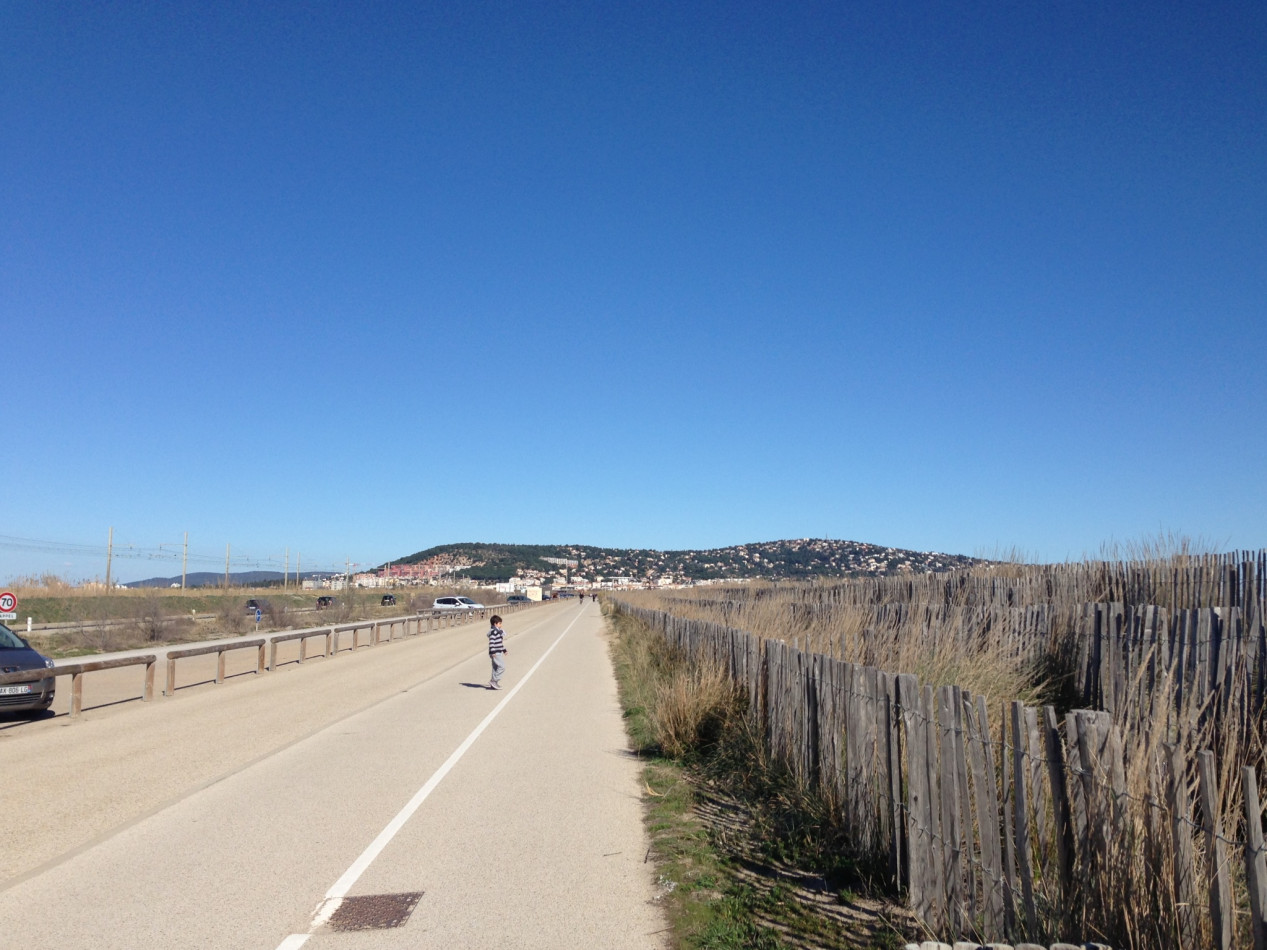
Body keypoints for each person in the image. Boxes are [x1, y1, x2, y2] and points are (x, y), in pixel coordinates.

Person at [486, 614, 509, 690]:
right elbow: (492, 642)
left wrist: (504, 650)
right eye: (499, 623)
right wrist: (493, 652)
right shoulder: (494, 632)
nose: (501, 625)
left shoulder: (498, 632)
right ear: (495, 624)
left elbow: (499, 643)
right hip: (495, 653)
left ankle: (494, 684)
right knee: (502, 667)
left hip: (498, 651)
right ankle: (494, 680)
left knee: (495, 668)